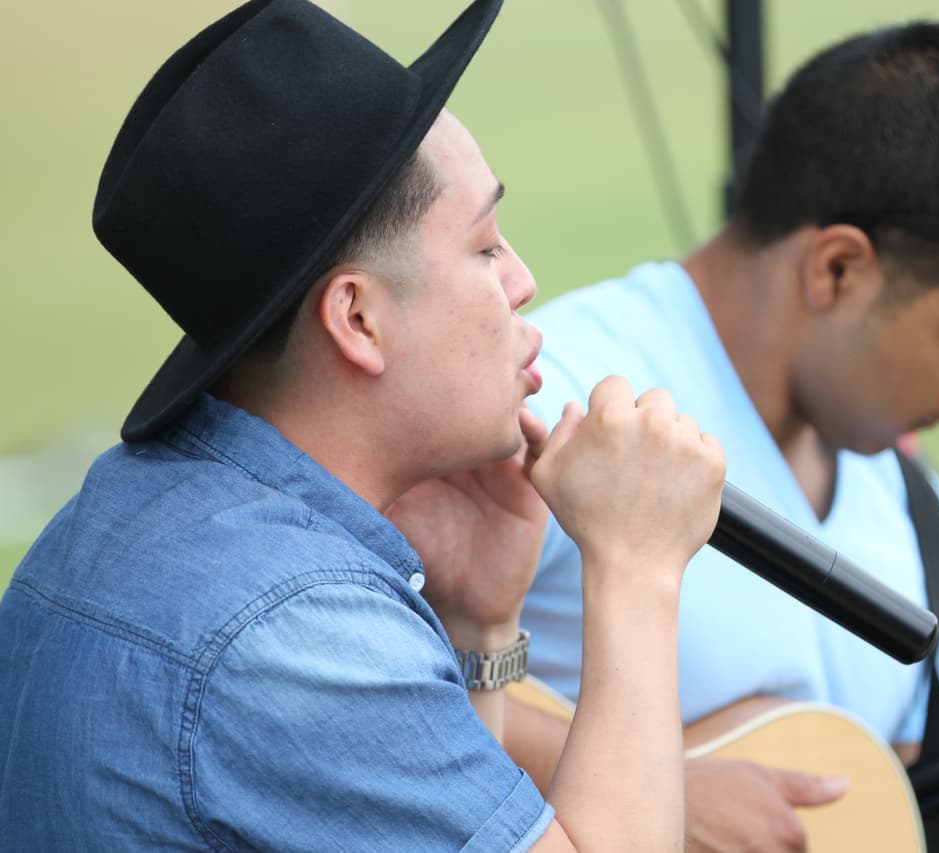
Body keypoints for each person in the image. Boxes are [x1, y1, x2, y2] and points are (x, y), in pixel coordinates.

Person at [0, 1, 727, 850]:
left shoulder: (120, 517)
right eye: (485, 246)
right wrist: (636, 565)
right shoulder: (295, 629)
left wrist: (481, 624)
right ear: (358, 319)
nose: (523, 280)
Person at [506, 20, 939, 851]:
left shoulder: (927, 534)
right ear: (836, 267)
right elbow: (362, 700)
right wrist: (664, 794)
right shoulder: (553, 407)